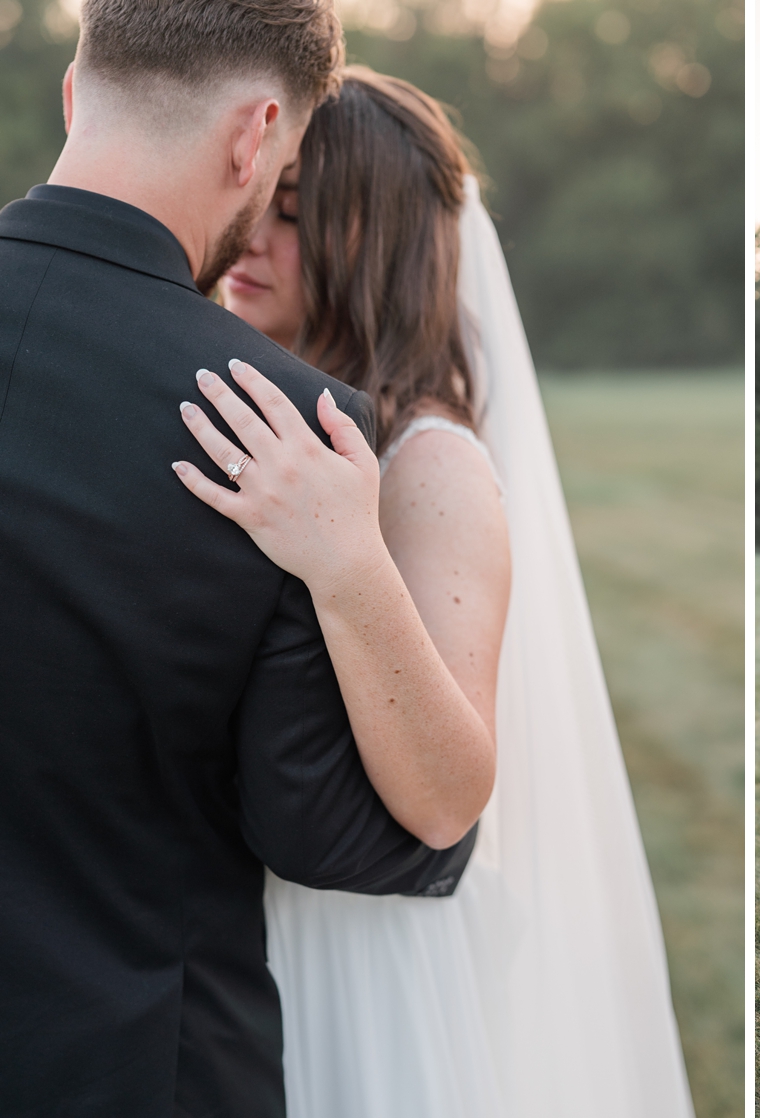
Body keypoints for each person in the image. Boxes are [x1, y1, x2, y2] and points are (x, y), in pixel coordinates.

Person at [185, 67, 696, 1117]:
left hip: (356, 959)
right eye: (258, 200)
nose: (250, 239)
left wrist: (344, 560)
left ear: (369, 238)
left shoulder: (431, 462)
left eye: (295, 213)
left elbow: (450, 790)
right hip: (237, 931)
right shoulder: (268, 410)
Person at [0, 4, 474, 1116]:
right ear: (256, 136)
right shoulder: (284, 435)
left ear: (76, 92)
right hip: (139, 1070)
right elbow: (331, 825)